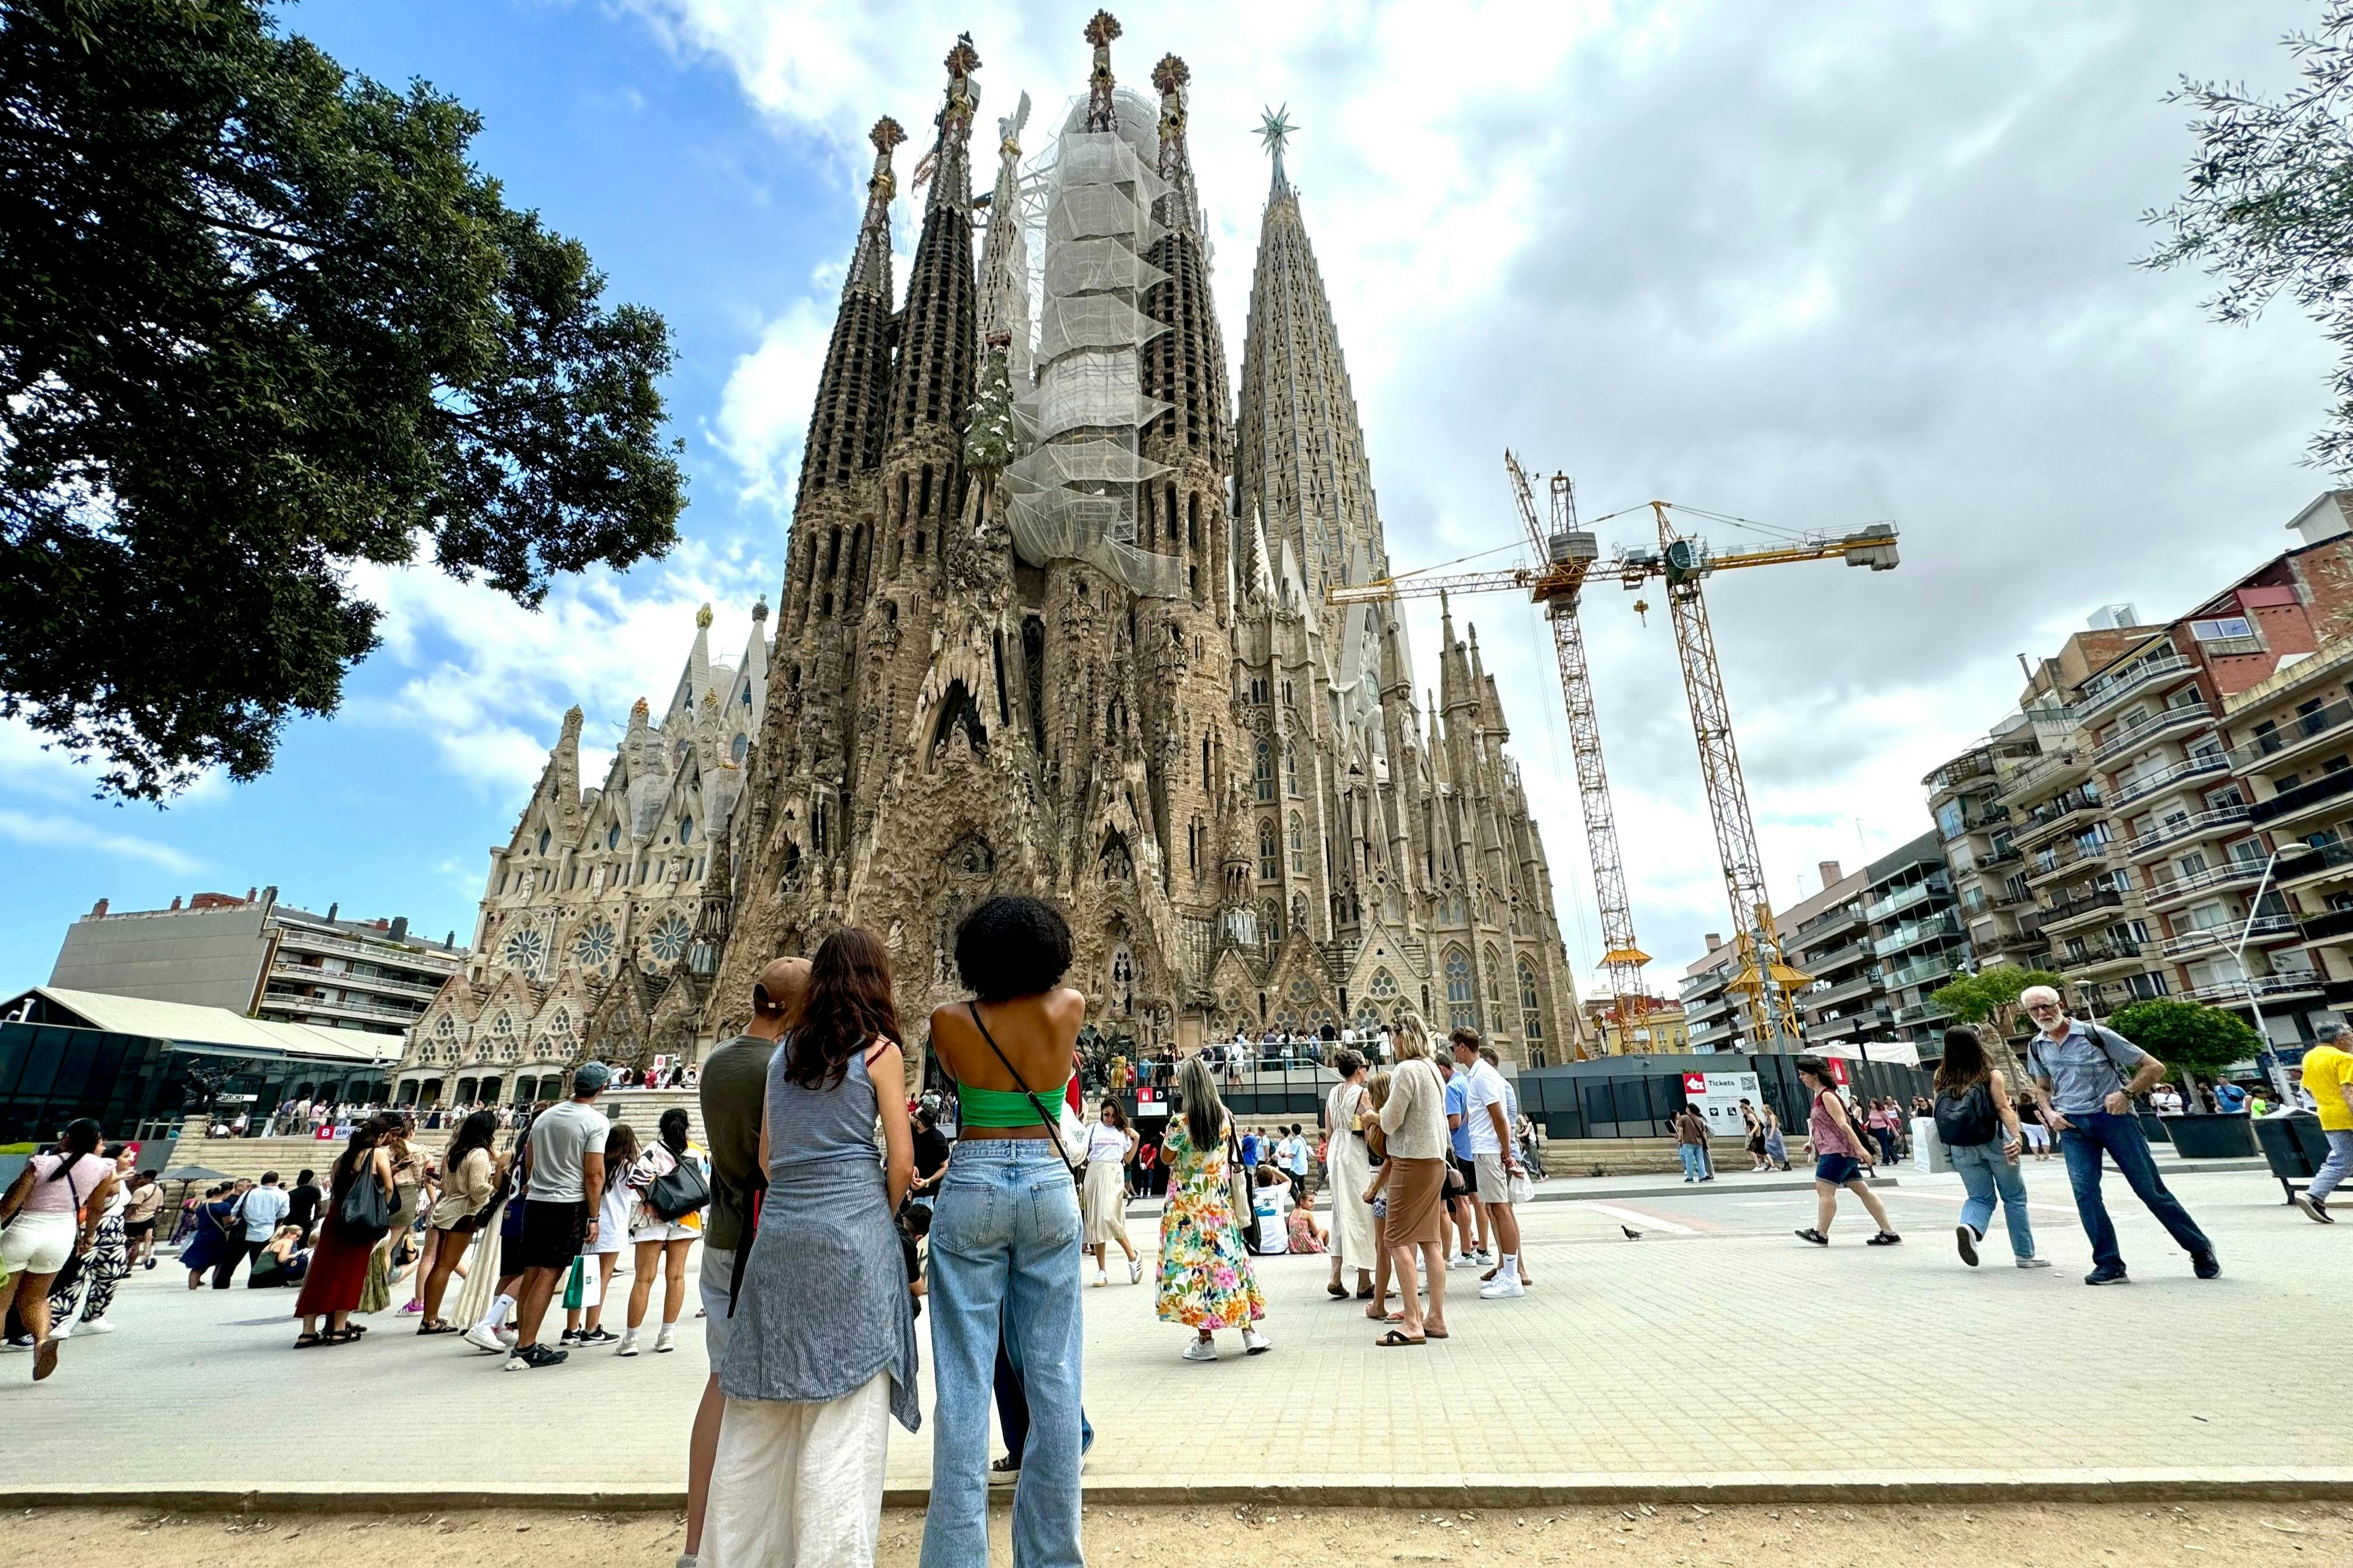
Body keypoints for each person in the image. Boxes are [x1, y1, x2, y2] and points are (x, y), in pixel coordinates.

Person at [706, 926, 919, 1568]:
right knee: (843, 1422)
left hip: (780, 1242)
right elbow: (903, 1162)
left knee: (758, 1419)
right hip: (850, 1241)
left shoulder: (782, 1055)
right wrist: (869, 1215)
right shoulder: (880, 1052)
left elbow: (768, 1158)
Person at [920, 896, 1087, 1567]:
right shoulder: (1068, 1008)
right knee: (1054, 1376)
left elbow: (955, 1083)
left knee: (963, 1382)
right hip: (1048, 1185)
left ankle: (958, 1558)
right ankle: (1051, 1557)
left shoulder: (948, 1021)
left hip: (975, 1179)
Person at [677, 956, 808, 1568]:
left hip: (722, 1234)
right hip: (767, 1238)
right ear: (797, 1007)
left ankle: (696, 1541)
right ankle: (760, 1537)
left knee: (721, 1381)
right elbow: (775, 1161)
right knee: (776, 1394)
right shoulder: (780, 1068)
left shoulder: (719, 1060)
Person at [2022, 984, 2216, 1286]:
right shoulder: (2037, 1046)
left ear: (2060, 1004)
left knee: (2149, 1189)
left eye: (2046, 1006)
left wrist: (2126, 1093)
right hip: (2073, 1127)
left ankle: (2199, 1247)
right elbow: (2043, 1087)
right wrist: (2049, 1113)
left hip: (2116, 1120)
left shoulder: (2096, 1035)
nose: (2042, 1013)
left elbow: (2154, 1067)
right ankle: (2109, 1264)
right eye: (2034, 1010)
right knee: (2085, 1193)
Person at [1157, 1053, 1271, 1363]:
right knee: (1229, 1264)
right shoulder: (1225, 1116)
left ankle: (1205, 1340)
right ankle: (1249, 1332)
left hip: (1187, 1209)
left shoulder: (1181, 1123)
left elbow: (1166, 1159)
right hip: (1219, 1206)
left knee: (1195, 1270)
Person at [506, 1063, 613, 1369]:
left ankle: (522, 1341)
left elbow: (528, 1154)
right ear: (602, 1089)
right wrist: (594, 1217)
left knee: (532, 1271)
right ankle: (526, 1347)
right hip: (567, 1204)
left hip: (537, 1200)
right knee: (550, 1273)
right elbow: (594, 1174)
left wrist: (533, 1179)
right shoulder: (595, 1122)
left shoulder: (545, 1116)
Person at [0, 1119, 118, 1380]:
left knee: (1, 1304)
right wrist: (88, 1237)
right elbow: (96, 1208)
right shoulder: (103, 1168)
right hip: (60, 1237)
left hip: (25, 1231)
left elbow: (9, 1206)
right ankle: (42, 1342)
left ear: (66, 1137)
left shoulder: (41, 1164)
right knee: (36, 1299)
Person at [1932, 1026, 2048, 1269]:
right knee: (2014, 1197)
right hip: (1995, 1142)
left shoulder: (1941, 1078)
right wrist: (2017, 1137)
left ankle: (1970, 1228)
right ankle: (2025, 1254)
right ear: (1976, 1044)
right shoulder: (1990, 1075)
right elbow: (2003, 1108)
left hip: (1961, 1147)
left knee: (1979, 1197)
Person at [1373, 1024, 1451, 1346]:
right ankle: (1436, 1317)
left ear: (1405, 1038)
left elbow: (1392, 1120)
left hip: (1410, 1161)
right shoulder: (1433, 1070)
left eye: (1394, 1037)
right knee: (1430, 1240)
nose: (1392, 1044)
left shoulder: (1406, 1069)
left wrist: (1371, 1117)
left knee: (1395, 1239)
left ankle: (1412, 1321)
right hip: (1436, 1162)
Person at [293, 1113, 397, 1347]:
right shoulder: (377, 1153)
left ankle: (308, 1331)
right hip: (361, 1221)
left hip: (337, 1219)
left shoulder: (341, 1159)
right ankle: (339, 1329)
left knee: (321, 1272)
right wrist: (381, 1211)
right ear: (379, 1137)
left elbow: (338, 1191)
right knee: (350, 1273)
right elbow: (389, 1188)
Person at [618, 1108, 706, 1356]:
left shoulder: (652, 1150)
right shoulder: (697, 1153)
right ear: (686, 1127)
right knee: (676, 1277)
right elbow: (705, 1187)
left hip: (652, 1218)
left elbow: (635, 1182)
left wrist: (656, 1201)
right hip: (687, 1218)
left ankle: (631, 1339)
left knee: (644, 1278)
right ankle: (667, 1335)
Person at [1792, 1058, 1900, 1248]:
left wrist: (1859, 1148)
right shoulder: (1822, 1095)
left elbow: (1844, 1124)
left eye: (1803, 1074)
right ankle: (1889, 1232)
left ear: (1814, 1075)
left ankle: (1821, 1233)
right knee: (1863, 1190)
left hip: (1837, 1152)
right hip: (1840, 1151)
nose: (1801, 1078)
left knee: (1824, 1190)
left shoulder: (1827, 1096)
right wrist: (1813, 1144)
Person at [1455, 1030, 1528, 1298]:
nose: (1454, 1053)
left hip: (1489, 1151)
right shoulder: (1478, 1074)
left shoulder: (1483, 1076)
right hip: (1485, 1150)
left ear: (1463, 1047)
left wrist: (1506, 1152)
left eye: (1455, 1047)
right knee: (1496, 1209)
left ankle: (1511, 1278)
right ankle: (1508, 1272)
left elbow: (1499, 1117)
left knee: (1501, 1209)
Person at [417, 1108, 501, 1333]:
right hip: (462, 1215)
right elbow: (476, 1190)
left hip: (446, 1210)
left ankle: (429, 1317)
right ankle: (431, 1320)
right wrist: (495, 1186)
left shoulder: (457, 1152)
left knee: (439, 1265)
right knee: (446, 1266)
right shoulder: (479, 1155)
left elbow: (446, 1185)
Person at [563, 1120, 638, 1349]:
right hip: (612, 1227)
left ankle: (571, 1328)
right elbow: (636, 1195)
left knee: (580, 1275)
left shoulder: (596, 1163)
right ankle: (592, 1328)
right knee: (602, 1277)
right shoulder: (626, 1167)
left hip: (589, 1223)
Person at [1322, 1050, 1376, 1301]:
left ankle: (1335, 1276)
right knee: (1360, 1212)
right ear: (1357, 1070)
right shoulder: (1362, 1093)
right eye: (1364, 1067)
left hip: (1336, 1150)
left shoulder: (1333, 1093)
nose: (1366, 1071)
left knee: (1339, 1212)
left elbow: (1329, 1127)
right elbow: (1368, 1127)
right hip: (1354, 1153)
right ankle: (1364, 1281)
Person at [2293, 1021, 2353, 1222]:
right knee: (2343, 1160)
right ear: (2340, 1039)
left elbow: (2308, 1089)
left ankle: (2314, 1196)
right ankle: (2314, 1196)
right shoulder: (2344, 1058)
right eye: (2350, 1034)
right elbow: (2348, 1091)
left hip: (2328, 1116)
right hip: (2348, 1115)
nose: (2352, 1038)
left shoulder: (2310, 1057)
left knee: (2342, 1160)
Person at [1083, 1099, 1141, 1288]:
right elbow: (1084, 1151)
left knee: (1109, 1217)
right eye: (1106, 1114)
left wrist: (1136, 1139)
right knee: (1097, 1223)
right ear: (1102, 1113)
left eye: (1113, 1115)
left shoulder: (1122, 1133)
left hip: (1114, 1173)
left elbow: (1129, 1159)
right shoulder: (1093, 1129)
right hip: (1094, 1173)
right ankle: (1102, 1271)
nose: (1109, 1119)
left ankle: (1132, 1256)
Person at [224, 1170, 289, 1287]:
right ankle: (255, 1284)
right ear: (276, 1182)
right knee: (258, 1262)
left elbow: (235, 1210)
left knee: (231, 1262)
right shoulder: (283, 1195)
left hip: (244, 1232)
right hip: (266, 1232)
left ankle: (221, 1284)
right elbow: (283, 1213)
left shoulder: (250, 1193)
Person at [178, 1182, 242, 1291]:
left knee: (197, 1267)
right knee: (219, 1263)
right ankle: (216, 1287)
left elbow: (197, 1223)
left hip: (201, 1237)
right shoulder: (224, 1206)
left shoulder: (202, 1205)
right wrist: (237, 1219)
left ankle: (192, 1290)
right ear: (226, 1192)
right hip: (217, 1237)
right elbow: (227, 1222)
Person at [907, 1102, 952, 1211]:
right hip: (911, 1189)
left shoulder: (938, 1141)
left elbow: (945, 1167)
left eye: (914, 1114)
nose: (911, 1115)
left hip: (929, 1194)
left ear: (920, 1123)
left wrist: (927, 1182)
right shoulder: (911, 1130)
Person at [122, 1171, 166, 1270]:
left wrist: (124, 1218)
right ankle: (129, 1267)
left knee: (127, 1243)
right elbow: (159, 1207)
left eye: (141, 1178)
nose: (139, 1180)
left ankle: (123, 1263)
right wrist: (150, 1215)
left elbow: (134, 1207)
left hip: (133, 1221)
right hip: (147, 1220)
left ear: (147, 1178)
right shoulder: (159, 1191)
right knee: (137, 1243)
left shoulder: (141, 1191)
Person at [247, 1221, 311, 1288]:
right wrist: (297, 1255)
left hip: (254, 1280)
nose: (298, 1239)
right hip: (264, 1278)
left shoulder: (275, 1242)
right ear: (289, 1233)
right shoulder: (288, 1241)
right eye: (297, 1236)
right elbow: (281, 1259)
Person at [1288, 1171, 1329, 1255]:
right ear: (1302, 1201)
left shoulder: (1293, 1212)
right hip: (1307, 1246)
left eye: (1313, 1202)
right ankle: (1323, 1247)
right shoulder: (1307, 1214)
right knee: (1325, 1231)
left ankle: (1321, 1246)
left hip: (1294, 1247)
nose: (1312, 1204)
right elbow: (1316, 1233)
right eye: (1310, 1201)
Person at [284, 1168, 323, 1243]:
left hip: (291, 1221)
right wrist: (315, 1219)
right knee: (302, 1243)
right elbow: (319, 1206)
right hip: (306, 1221)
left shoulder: (292, 1193)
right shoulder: (316, 1191)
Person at [1676, 1103, 1710, 1183]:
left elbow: (1680, 1130)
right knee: (1700, 1160)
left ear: (1689, 1109)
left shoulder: (1683, 1118)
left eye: (1687, 1107)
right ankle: (1702, 1177)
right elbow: (1704, 1133)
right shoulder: (1700, 1120)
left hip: (1688, 1143)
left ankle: (1690, 1178)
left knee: (1689, 1160)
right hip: (1699, 1143)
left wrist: (1680, 1140)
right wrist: (1706, 1142)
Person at [1759, 1102, 1790, 1172]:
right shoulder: (1766, 1117)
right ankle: (1771, 1162)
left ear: (1767, 1109)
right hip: (1768, 1133)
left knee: (1780, 1148)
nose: (1762, 1109)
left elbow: (1773, 1126)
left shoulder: (1771, 1117)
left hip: (1775, 1134)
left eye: (1763, 1108)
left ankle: (1787, 1163)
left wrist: (1771, 1135)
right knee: (1767, 1147)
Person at [1742, 1098, 1769, 1172]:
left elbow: (1757, 1125)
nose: (1742, 1111)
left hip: (1756, 1135)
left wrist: (1752, 1133)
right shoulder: (1748, 1116)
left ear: (1746, 1109)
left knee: (1752, 1149)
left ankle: (1759, 1165)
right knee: (1759, 1150)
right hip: (1756, 1135)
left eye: (1743, 1109)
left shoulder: (1750, 1116)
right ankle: (1763, 1164)